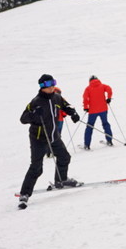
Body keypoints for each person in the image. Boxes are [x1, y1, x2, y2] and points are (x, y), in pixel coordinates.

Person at [18, 75, 82, 207]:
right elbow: (23, 118)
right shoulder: (36, 102)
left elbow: (66, 105)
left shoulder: (56, 97)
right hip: (38, 138)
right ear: (42, 86)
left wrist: (72, 113)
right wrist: (35, 115)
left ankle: (61, 180)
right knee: (36, 167)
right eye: (49, 84)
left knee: (64, 157)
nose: (52, 86)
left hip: (53, 136)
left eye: (53, 83)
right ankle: (24, 194)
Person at [81, 75, 114, 150]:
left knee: (90, 126)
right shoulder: (102, 86)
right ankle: (109, 140)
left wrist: (86, 107)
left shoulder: (88, 88)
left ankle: (87, 144)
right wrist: (108, 98)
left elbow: (85, 98)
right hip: (103, 109)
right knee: (105, 124)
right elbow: (109, 89)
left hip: (93, 111)